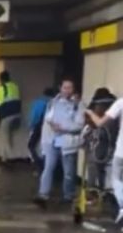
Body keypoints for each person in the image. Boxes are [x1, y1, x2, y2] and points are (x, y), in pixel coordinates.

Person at [36, 79, 85, 208]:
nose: (67, 90)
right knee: (48, 167)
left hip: (67, 139)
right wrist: (52, 126)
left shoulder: (78, 105)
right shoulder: (53, 102)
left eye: (70, 88)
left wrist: (64, 128)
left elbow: (79, 124)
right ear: (60, 88)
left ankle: (68, 195)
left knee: (68, 170)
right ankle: (43, 194)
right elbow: (48, 118)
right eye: (65, 87)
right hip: (52, 138)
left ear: (74, 89)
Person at [86, 89, 123, 224]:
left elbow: (99, 123)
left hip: (121, 152)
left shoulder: (120, 103)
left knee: (116, 179)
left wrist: (90, 112)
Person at [0, 70, 23, 163]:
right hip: (17, 115)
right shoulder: (15, 87)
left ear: (1, 79)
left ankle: (7, 158)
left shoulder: (1, 89)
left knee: (4, 137)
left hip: (6, 116)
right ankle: (5, 156)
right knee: (9, 136)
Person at [28, 86, 55, 166]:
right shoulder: (54, 102)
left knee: (31, 145)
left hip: (39, 125)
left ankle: (39, 164)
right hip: (51, 129)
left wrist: (32, 125)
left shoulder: (39, 102)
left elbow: (35, 115)